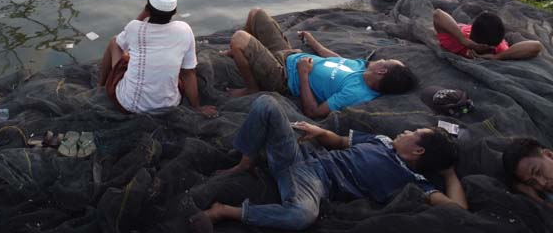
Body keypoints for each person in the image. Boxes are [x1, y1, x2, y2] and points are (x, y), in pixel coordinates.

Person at [191, 95, 466, 231]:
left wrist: (450, 173)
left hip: (315, 184)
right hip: (303, 156)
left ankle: (224, 211)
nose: (405, 131)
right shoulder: (381, 140)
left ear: (418, 151)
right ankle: (245, 163)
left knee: (302, 216)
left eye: (413, 133)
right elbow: (340, 142)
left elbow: (458, 210)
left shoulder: (413, 181)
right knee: (266, 103)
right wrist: (319, 132)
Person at [227, 8, 417, 118]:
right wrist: (312, 42)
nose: (380, 59)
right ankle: (244, 55)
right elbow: (335, 58)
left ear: (382, 71)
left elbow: (313, 112)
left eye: (384, 61)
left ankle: (251, 86)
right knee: (256, 14)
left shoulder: (355, 93)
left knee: (239, 38)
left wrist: (303, 74)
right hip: (288, 54)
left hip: (282, 76)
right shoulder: (362, 68)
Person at [98, 0, 217, 117]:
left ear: (147, 8)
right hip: (169, 105)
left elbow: (124, 38)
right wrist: (197, 107)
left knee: (114, 42)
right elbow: (188, 74)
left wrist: (144, 13)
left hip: (129, 105)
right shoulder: (184, 30)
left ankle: (102, 84)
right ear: (175, 11)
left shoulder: (134, 28)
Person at [433, 9, 543, 60]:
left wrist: (497, 57)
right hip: (464, 31)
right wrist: (464, 40)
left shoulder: (499, 48)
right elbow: (438, 14)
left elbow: (536, 46)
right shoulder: (455, 42)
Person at [502, 138, 553, 205]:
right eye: (532, 182)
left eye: (538, 172)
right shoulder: (547, 197)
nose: (542, 183)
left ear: (548, 155)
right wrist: (536, 199)